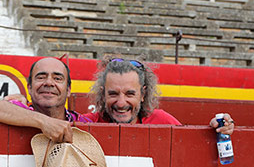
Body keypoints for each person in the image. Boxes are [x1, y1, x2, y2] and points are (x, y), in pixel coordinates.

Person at [86, 56, 234, 135]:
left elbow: (192, 144)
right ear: (103, 95)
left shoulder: (162, 120)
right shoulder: (87, 124)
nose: (121, 103)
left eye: (130, 94)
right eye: (113, 94)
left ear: (143, 94)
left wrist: (217, 130)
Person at [0, 56, 91, 141]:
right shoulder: (19, 110)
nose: (49, 83)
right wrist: (45, 122)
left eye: (57, 78)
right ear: (29, 88)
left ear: (68, 90)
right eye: (41, 77)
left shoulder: (84, 122)